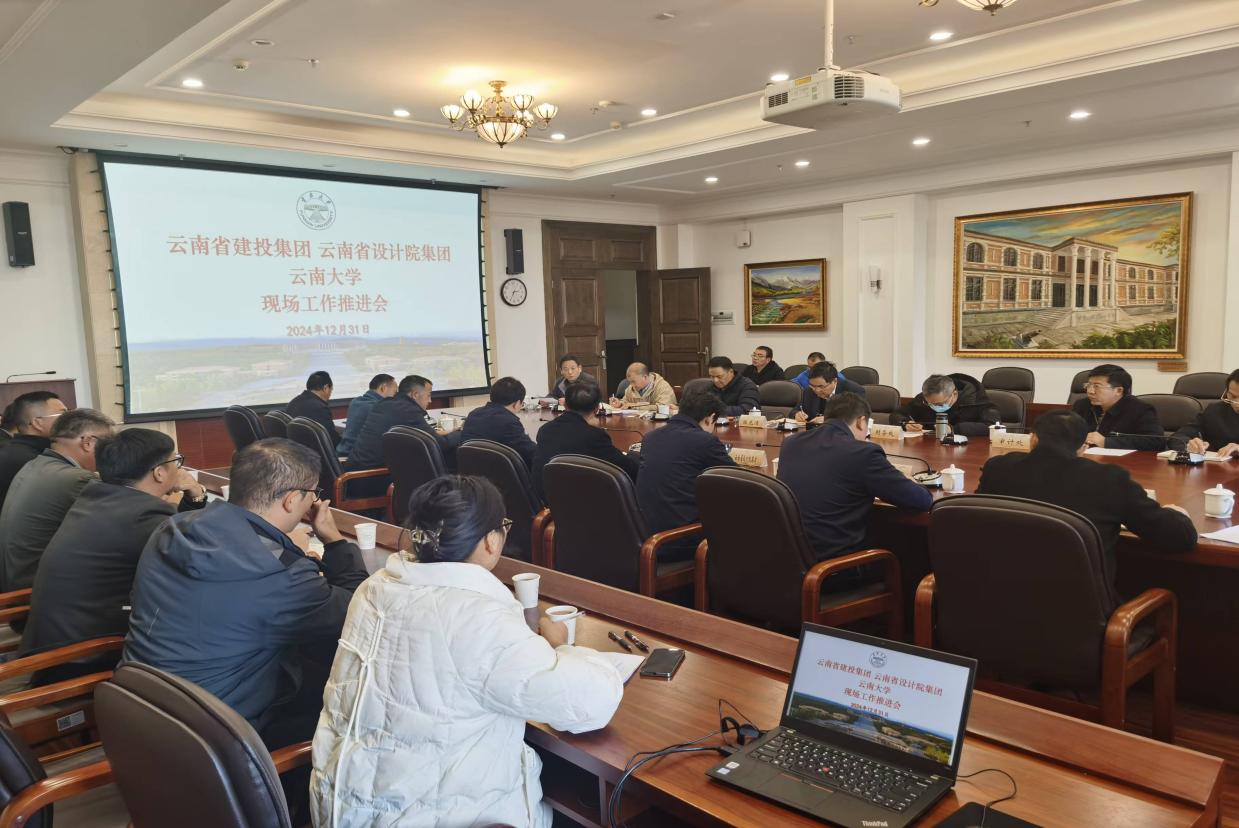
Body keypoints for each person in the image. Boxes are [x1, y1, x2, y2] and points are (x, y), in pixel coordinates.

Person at [310, 476, 624, 828]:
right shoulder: (476, 617)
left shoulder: (374, 588)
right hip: (435, 817)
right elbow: (592, 704)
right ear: (491, 540)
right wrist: (563, 645)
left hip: (346, 809)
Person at [122, 438, 368, 749]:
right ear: (292, 500)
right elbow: (359, 609)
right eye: (313, 494)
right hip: (215, 738)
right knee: (355, 709)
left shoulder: (173, 528)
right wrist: (334, 540)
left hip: (140, 707)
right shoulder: (281, 574)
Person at [19, 428, 207, 684]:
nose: (179, 469)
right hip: (85, 658)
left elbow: (179, 536)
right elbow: (197, 558)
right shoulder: (144, 517)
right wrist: (196, 494)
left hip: (53, 644)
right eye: (176, 461)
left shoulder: (96, 497)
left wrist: (193, 500)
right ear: (159, 472)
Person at [977, 410, 1196, 585]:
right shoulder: (1109, 479)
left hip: (995, 604)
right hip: (1077, 617)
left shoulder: (998, 468)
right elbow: (1179, 539)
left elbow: (976, 518)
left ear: (1032, 439)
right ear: (1082, 447)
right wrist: (1177, 515)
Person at [778, 393, 933, 563]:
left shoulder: (791, 443)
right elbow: (921, 501)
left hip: (790, 561)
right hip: (837, 564)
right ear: (861, 421)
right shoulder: (863, 453)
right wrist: (908, 481)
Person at [0, 408, 114, 592]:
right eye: (108, 445)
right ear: (88, 442)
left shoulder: (35, 464)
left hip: (16, 577)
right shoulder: (77, 479)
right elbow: (119, 525)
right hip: (36, 589)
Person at [635, 389, 734, 560]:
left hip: (644, 535)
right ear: (710, 418)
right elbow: (737, 480)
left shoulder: (650, 437)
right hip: (679, 540)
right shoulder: (705, 441)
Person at [532, 382, 638, 500]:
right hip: (577, 503)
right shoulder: (594, 436)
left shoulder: (545, 430)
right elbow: (627, 468)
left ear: (565, 405)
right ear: (597, 409)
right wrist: (635, 456)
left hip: (544, 498)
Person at [347, 374, 446, 474]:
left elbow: (425, 435)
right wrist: (456, 434)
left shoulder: (383, 404)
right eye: (428, 395)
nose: (430, 400)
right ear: (415, 395)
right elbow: (439, 444)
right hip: (371, 475)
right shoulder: (407, 409)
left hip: (355, 469)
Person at [1070, 364, 1164, 451]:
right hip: (1083, 457)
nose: (1090, 391)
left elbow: (1156, 442)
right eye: (1088, 385)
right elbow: (1067, 433)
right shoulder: (1082, 405)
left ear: (1118, 390)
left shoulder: (1140, 410)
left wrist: (1106, 442)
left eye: (1097, 386)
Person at [0, 391, 66, 510]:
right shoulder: (35, 461)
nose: (72, 420)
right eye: (63, 415)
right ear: (37, 423)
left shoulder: (13, 450)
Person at [461, 377, 538, 468]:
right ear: (517, 403)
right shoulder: (509, 422)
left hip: (470, 472)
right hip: (499, 473)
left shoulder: (474, 414)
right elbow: (531, 453)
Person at [891, 373, 1000, 438]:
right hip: (929, 449)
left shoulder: (976, 400)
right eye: (930, 403)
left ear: (954, 394)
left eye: (940, 403)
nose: (934, 407)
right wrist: (905, 423)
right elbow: (897, 414)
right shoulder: (924, 398)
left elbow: (992, 427)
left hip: (966, 451)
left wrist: (954, 429)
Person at [1170, 369, 1239, 457]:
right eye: (1232, 396)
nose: (1236, 403)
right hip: (1214, 464)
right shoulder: (1214, 411)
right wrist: (1189, 445)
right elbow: (1178, 437)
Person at [337, 373, 397, 458]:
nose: (395, 396)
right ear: (383, 388)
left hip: (342, 452)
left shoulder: (355, 402)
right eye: (395, 392)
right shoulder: (379, 407)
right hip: (355, 458)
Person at [793, 361, 866, 424]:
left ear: (834, 381)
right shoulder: (809, 391)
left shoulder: (853, 391)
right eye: (813, 386)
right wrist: (797, 414)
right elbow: (795, 410)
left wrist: (828, 419)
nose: (817, 390)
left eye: (821, 386)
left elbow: (856, 416)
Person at [286, 371, 340, 448]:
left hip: (297, 450)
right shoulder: (320, 408)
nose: (330, 394)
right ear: (326, 388)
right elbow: (332, 439)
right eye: (331, 390)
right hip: (313, 452)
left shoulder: (293, 402)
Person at [610, 362, 677, 411]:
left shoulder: (662, 386)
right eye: (630, 382)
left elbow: (664, 406)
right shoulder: (631, 388)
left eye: (633, 382)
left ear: (645, 377)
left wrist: (634, 407)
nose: (631, 385)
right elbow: (626, 402)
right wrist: (620, 404)